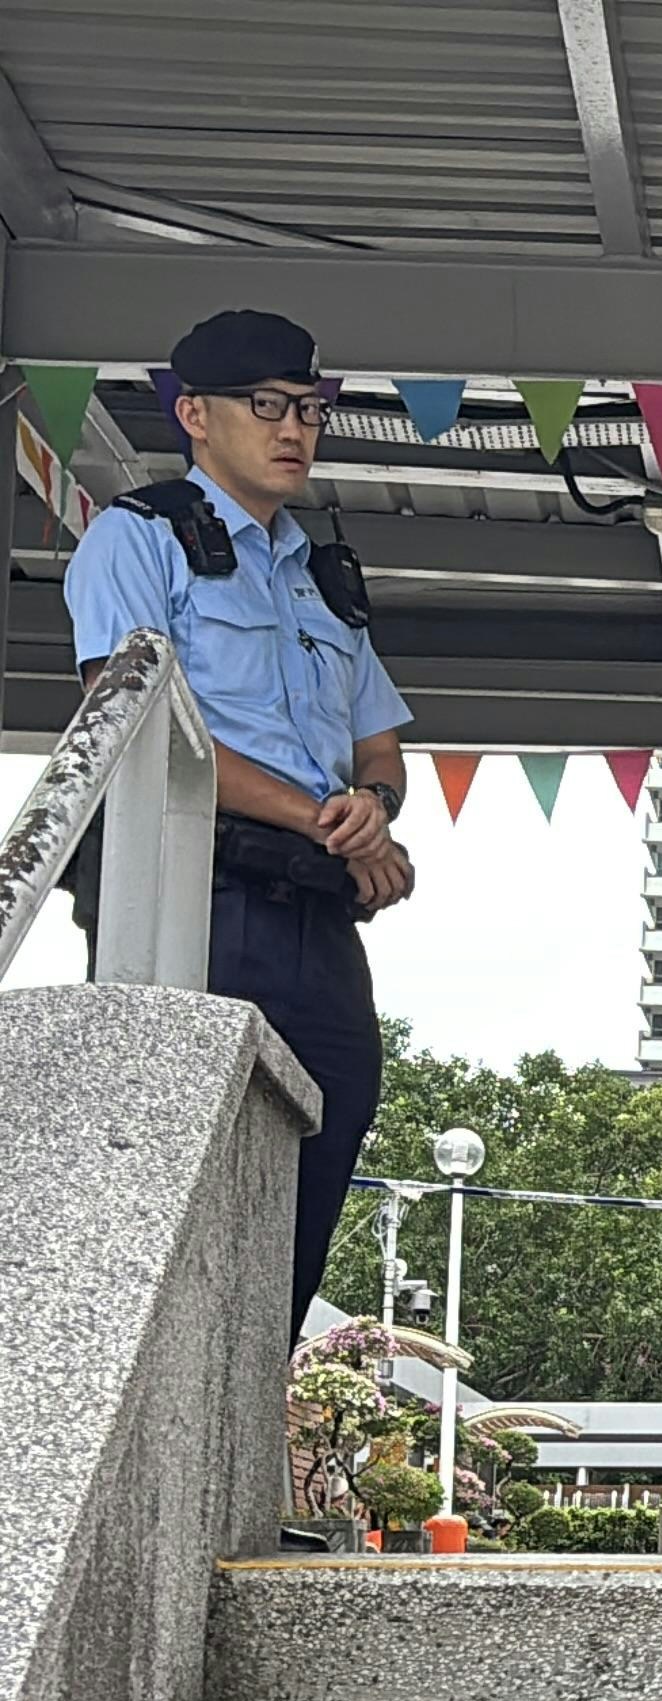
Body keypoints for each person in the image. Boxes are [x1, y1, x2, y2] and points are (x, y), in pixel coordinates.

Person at [63, 308, 416, 1339]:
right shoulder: (141, 536)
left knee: (326, 1134)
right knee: (181, 1163)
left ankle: (253, 1385)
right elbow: (128, 723)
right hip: (196, 894)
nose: (294, 427)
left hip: (317, 911)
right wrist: (328, 817)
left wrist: (373, 812)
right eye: (266, 405)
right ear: (194, 415)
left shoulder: (319, 573)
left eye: (309, 406)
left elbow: (378, 744)